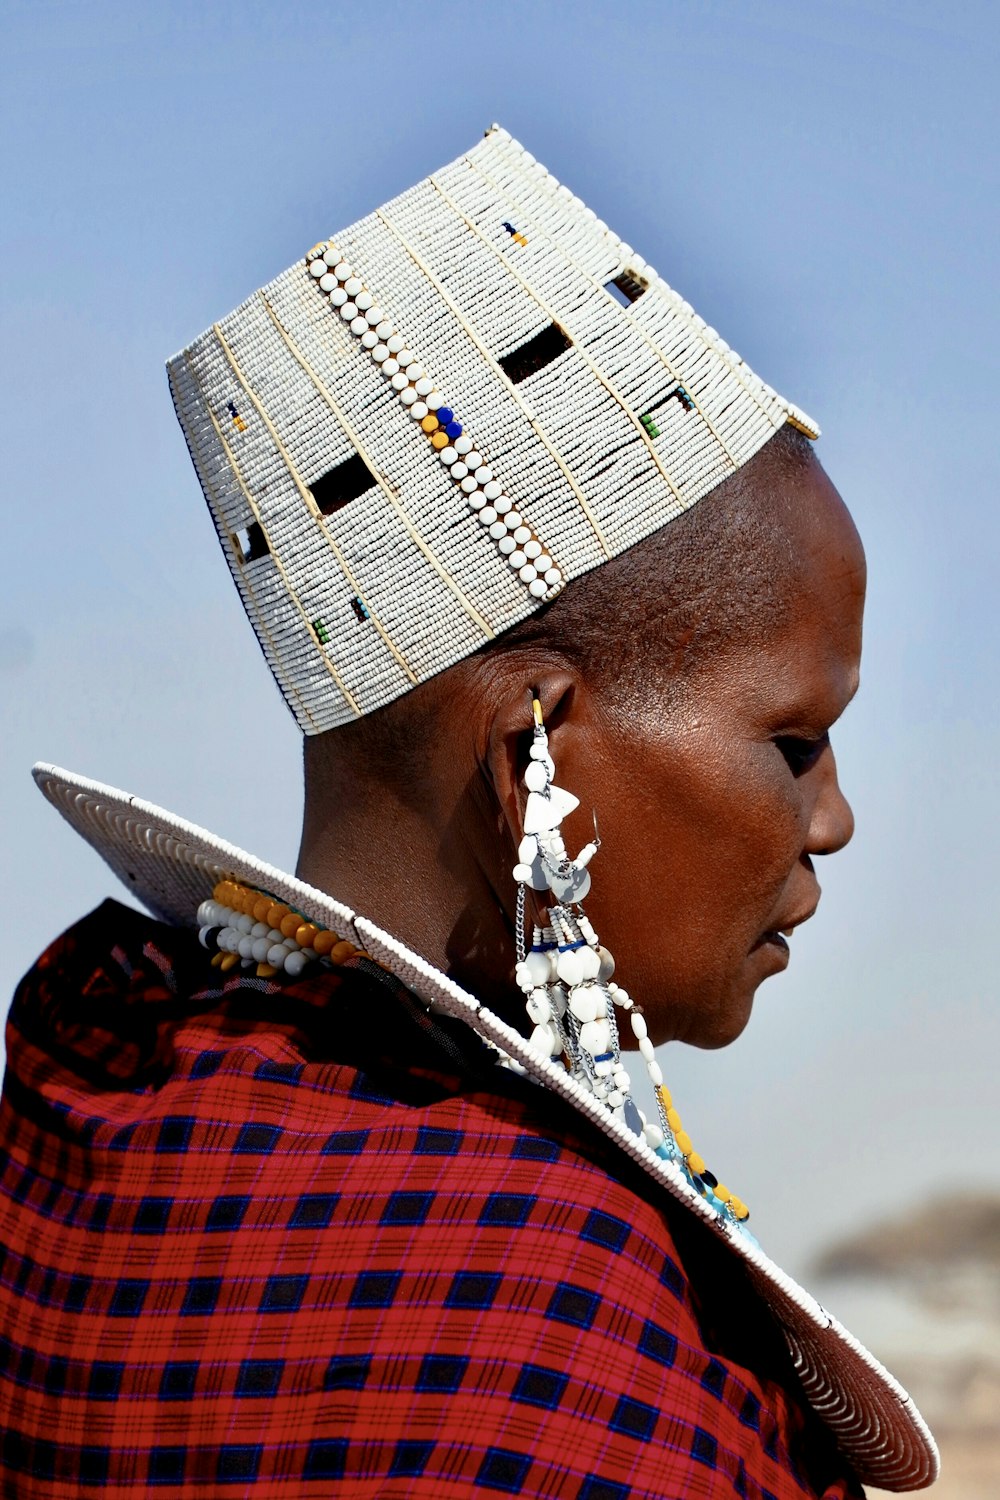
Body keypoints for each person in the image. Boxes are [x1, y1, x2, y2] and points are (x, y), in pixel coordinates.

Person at [0, 127, 937, 1496]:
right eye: (794, 742)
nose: (833, 819)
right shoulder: (578, 1322)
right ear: (532, 752)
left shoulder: (93, 1095)